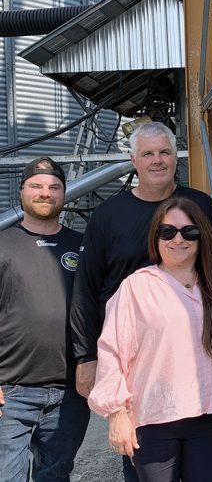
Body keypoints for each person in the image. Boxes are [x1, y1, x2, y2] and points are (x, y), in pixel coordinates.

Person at [69, 121, 212, 480]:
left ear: (176, 158)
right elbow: (86, 288)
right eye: (148, 153)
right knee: (142, 464)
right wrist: (86, 357)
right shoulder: (108, 216)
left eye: (164, 152)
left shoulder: (201, 207)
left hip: (193, 366)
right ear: (133, 160)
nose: (157, 160)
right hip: (138, 366)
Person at [88, 196, 212, 481]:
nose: (178, 239)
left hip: (206, 418)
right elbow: (112, 350)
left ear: (202, 237)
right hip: (154, 418)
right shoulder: (136, 287)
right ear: (156, 238)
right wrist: (116, 413)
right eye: (168, 232)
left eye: (189, 232)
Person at [0, 157, 90, 481]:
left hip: (70, 393)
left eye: (54, 187)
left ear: (64, 195)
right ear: (21, 191)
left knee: (55, 474)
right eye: (36, 186)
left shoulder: (82, 246)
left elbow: (98, 310)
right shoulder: (3, 244)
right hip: (11, 392)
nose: (45, 193)